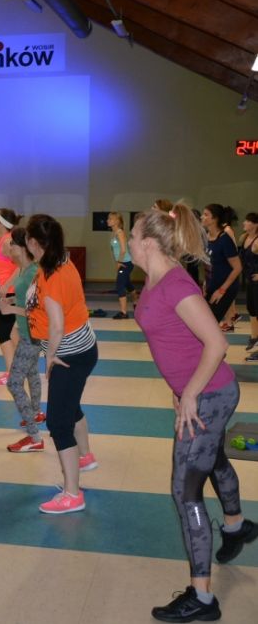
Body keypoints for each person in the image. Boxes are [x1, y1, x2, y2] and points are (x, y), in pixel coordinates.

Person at [129, 205, 257, 622]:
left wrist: (190, 394)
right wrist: (181, 391)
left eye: (132, 236)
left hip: (210, 395)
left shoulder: (176, 285)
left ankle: (202, 599)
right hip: (199, 393)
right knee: (212, 459)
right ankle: (236, 526)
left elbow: (216, 345)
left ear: (149, 243)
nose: (128, 242)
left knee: (185, 492)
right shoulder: (155, 279)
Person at [24, 214, 98, 514]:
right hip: (78, 350)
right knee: (69, 405)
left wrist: (51, 357)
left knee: (57, 422)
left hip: (69, 356)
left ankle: (72, 495)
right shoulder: (58, 261)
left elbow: (56, 325)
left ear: (33, 242)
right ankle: (85, 457)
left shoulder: (53, 275)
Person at [0, 227, 45, 452]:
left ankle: (34, 437)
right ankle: (35, 413)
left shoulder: (33, 273)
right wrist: (12, 300)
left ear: (21, 247)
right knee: (32, 373)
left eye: (12, 244)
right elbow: (26, 300)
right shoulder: (25, 269)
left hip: (32, 336)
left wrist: (11, 310)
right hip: (28, 333)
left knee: (14, 383)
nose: (8, 247)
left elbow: (39, 311)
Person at [0, 208, 22, 385]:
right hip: (10, 291)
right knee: (10, 330)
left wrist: (6, 286)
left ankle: (11, 373)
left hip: (11, 293)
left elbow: (22, 266)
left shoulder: (8, 241)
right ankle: (22, 366)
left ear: (1, 223)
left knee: (2, 332)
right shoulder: (3, 239)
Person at [201, 203, 242, 332]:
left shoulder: (224, 240)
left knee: (208, 326)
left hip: (225, 288)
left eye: (206, 214)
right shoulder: (206, 237)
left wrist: (222, 290)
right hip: (212, 285)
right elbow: (209, 264)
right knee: (203, 323)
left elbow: (237, 268)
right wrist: (206, 283)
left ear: (215, 218)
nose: (202, 217)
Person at [107, 212, 138, 319]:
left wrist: (119, 262)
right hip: (123, 262)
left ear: (117, 221)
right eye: (108, 218)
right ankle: (136, 302)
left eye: (110, 219)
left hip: (126, 263)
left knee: (120, 285)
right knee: (127, 283)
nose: (108, 220)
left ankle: (124, 313)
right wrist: (118, 261)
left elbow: (123, 250)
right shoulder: (114, 233)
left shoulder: (120, 233)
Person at [241, 212, 258, 361]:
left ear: (255, 224)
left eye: (248, 221)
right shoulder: (244, 238)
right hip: (250, 282)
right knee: (252, 310)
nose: (244, 223)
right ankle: (254, 337)